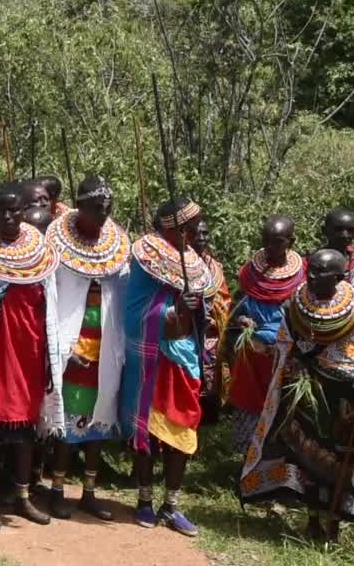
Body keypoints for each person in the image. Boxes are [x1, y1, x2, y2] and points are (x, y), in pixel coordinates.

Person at [238, 249, 354, 542]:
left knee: (339, 460)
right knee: (306, 458)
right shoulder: (296, 305)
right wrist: (293, 367)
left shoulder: (353, 311)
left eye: (321, 272)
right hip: (305, 394)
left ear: (340, 277)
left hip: (341, 399)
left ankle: (333, 523)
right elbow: (285, 343)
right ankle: (312, 517)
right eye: (311, 269)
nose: (313, 276)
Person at [0, 183, 60, 531]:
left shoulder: (40, 251)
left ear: (22, 212)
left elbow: (49, 304)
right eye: (0, 209)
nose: (6, 216)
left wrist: (51, 356)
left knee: (26, 427)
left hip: (29, 348)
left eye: (13, 210)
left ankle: (22, 497)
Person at [118, 197, 214, 537]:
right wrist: (172, 309)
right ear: (173, 227)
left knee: (183, 433)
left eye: (194, 228)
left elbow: (199, 316)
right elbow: (134, 310)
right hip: (151, 357)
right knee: (147, 430)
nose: (192, 234)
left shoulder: (193, 262)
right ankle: (144, 499)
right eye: (188, 228)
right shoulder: (147, 257)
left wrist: (191, 309)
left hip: (183, 357)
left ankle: (171, 505)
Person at [44, 176, 131, 521]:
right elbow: (54, 300)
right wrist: (64, 350)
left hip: (106, 347)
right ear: (80, 206)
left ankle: (90, 493)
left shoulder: (117, 244)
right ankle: (57, 490)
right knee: (67, 427)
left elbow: (122, 294)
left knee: (99, 422)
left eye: (108, 208)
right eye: (97, 207)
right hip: (72, 346)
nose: (103, 213)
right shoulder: (58, 244)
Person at [224, 216, 305, 451]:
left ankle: (279, 472)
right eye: (266, 241)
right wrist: (242, 320)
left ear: (291, 241)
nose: (270, 247)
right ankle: (248, 469)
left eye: (277, 242)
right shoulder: (250, 273)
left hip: (287, 356)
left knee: (284, 410)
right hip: (253, 355)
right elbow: (235, 310)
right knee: (250, 407)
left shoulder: (304, 276)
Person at [194, 220, 232, 422]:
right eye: (197, 233)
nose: (201, 238)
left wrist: (216, 313)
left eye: (205, 233)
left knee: (212, 380)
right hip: (190, 332)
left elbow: (224, 299)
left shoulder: (215, 266)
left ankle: (210, 419)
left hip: (213, 334)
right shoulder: (180, 262)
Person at [321, 208, 354, 314]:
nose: (345, 235)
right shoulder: (308, 264)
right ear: (324, 230)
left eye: (350, 230)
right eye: (338, 229)